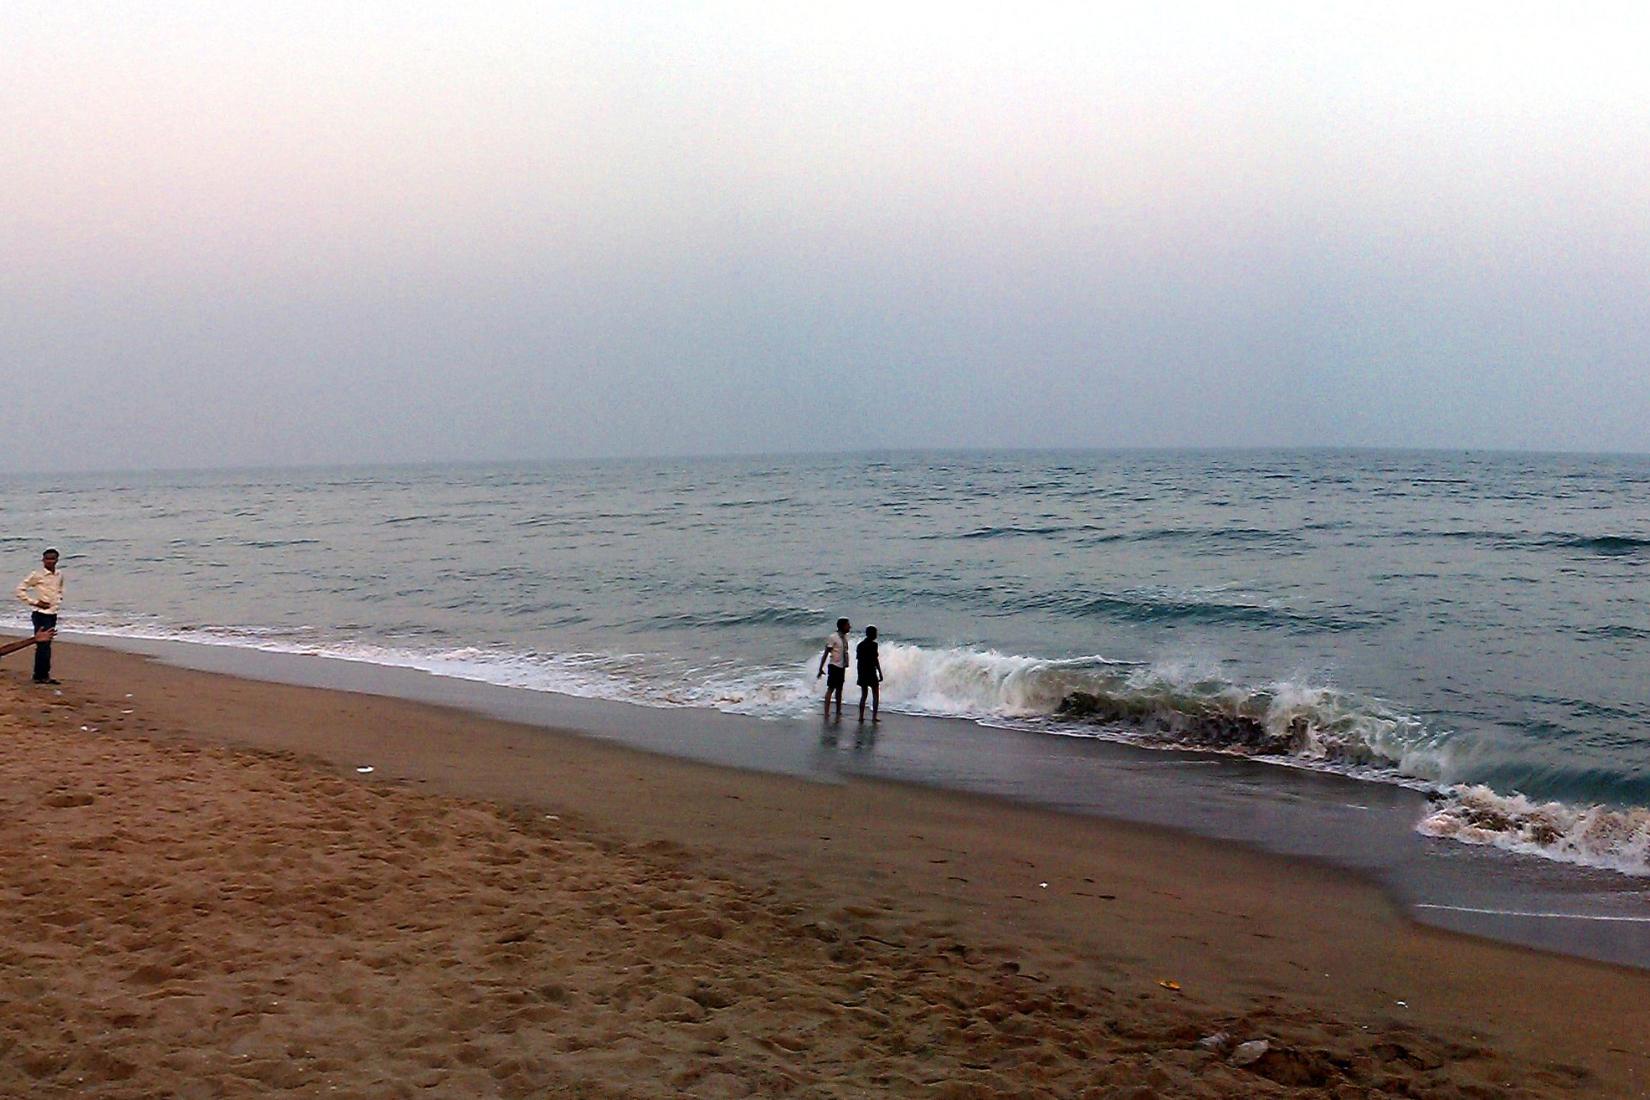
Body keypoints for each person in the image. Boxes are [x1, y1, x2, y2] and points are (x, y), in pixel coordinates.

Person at [16, 547, 63, 684]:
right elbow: (20, 590)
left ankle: (42, 674)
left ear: (57, 560)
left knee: (47, 645)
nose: (50, 561)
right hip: (41, 614)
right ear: (43, 560)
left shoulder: (59, 575)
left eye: (52, 559)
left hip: (52, 613)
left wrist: (58, 599)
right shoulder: (37, 575)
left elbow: (59, 588)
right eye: (47, 559)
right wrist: (35, 602)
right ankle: (40, 675)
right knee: (43, 644)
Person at [816, 617, 851, 719]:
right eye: (848, 625)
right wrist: (820, 668)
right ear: (843, 626)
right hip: (834, 665)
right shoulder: (833, 637)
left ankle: (838, 711)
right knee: (831, 688)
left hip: (841, 666)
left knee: (839, 689)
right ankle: (826, 712)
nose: (849, 627)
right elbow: (826, 653)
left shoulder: (845, 637)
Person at [855, 626, 883, 722]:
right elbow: (875, 660)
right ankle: (874, 717)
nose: (876, 635)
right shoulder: (874, 645)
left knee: (864, 694)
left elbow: (858, 660)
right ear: (872, 634)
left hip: (862, 671)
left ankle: (861, 716)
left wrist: (859, 673)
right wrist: (880, 672)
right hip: (871, 671)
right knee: (875, 694)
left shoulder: (860, 645)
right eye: (875, 633)